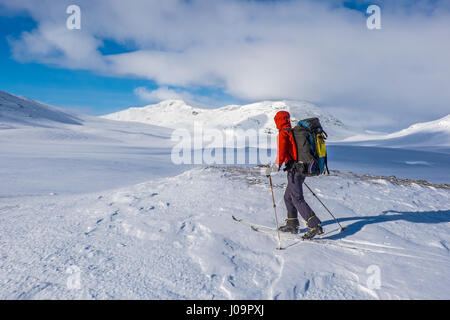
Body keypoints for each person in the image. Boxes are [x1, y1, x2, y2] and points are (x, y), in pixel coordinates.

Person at [266, 110, 323, 239]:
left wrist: (273, 169)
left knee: (297, 198)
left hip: (295, 171)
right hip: (300, 169)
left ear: (278, 121)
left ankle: (314, 225)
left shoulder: (283, 133)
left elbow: (281, 154)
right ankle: (292, 224)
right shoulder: (292, 131)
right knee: (288, 197)